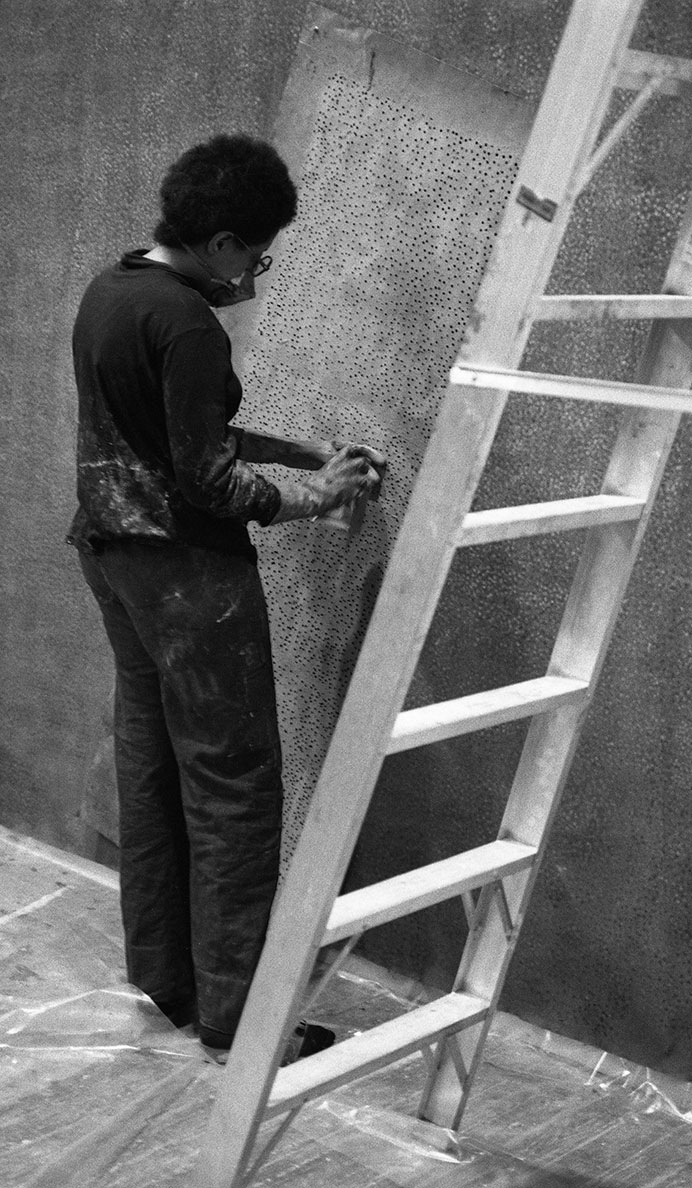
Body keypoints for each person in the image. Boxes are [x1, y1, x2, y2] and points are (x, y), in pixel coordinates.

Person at [67, 132, 385, 1057]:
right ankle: (239, 1023)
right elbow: (206, 480)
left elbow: (176, 433)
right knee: (234, 783)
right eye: (256, 251)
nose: (257, 271)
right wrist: (312, 496)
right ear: (221, 242)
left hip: (111, 554)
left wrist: (298, 452)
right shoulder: (191, 324)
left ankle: (166, 979)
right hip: (188, 577)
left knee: (152, 758)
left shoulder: (113, 291)